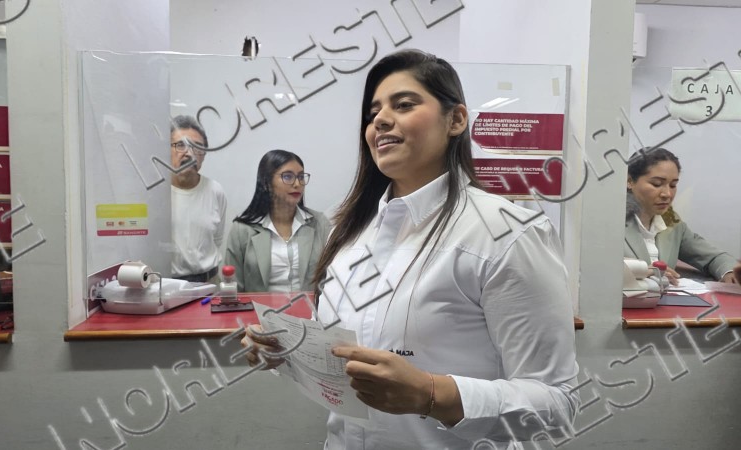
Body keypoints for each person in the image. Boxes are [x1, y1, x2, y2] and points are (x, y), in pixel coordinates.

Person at [242, 50, 578, 449]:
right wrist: (289, 352)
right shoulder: (350, 234)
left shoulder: (508, 233)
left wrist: (430, 394)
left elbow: (557, 407)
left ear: (456, 120)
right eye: (373, 113)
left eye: (403, 105)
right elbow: (341, 354)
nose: (380, 120)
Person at [625, 148, 738, 285]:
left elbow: (712, 257)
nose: (667, 193)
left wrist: (729, 272)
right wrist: (643, 270)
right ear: (629, 181)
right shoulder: (609, 219)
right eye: (657, 184)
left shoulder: (671, 221)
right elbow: (601, 265)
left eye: (673, 185)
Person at [225, 149, 331, 293]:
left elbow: (331, 279)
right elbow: (233, 288)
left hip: (309, 307)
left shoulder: (320, 223)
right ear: (267, 183)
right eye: (287, 177)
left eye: (301, 177)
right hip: (258, 308)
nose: (297, 184)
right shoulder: (242, 229)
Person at [170, 115, 227, 283]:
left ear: (203, 156)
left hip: (210, 283)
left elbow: (216, 240)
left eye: (197, 147)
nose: (189, 153)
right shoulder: (155, 194)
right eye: (180, 145)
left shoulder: (215, 190)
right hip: (167, 285)